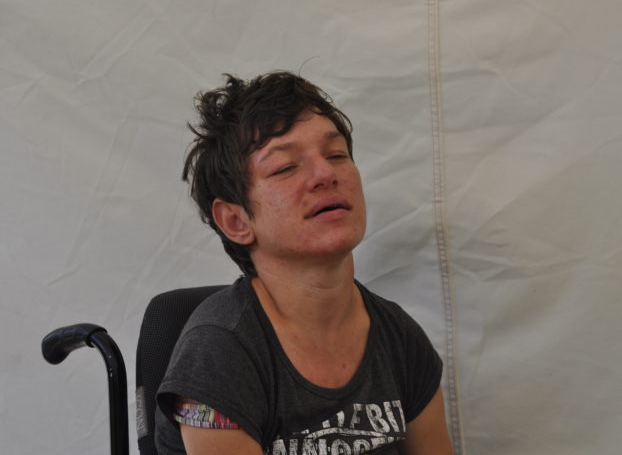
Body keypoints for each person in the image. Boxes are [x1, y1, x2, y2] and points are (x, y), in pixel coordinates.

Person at [155, 71, 454, 455]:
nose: (326, 174)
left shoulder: (400, 336)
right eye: (285, 167)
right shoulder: (217, 352)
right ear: (236, 221)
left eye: (337, 155)